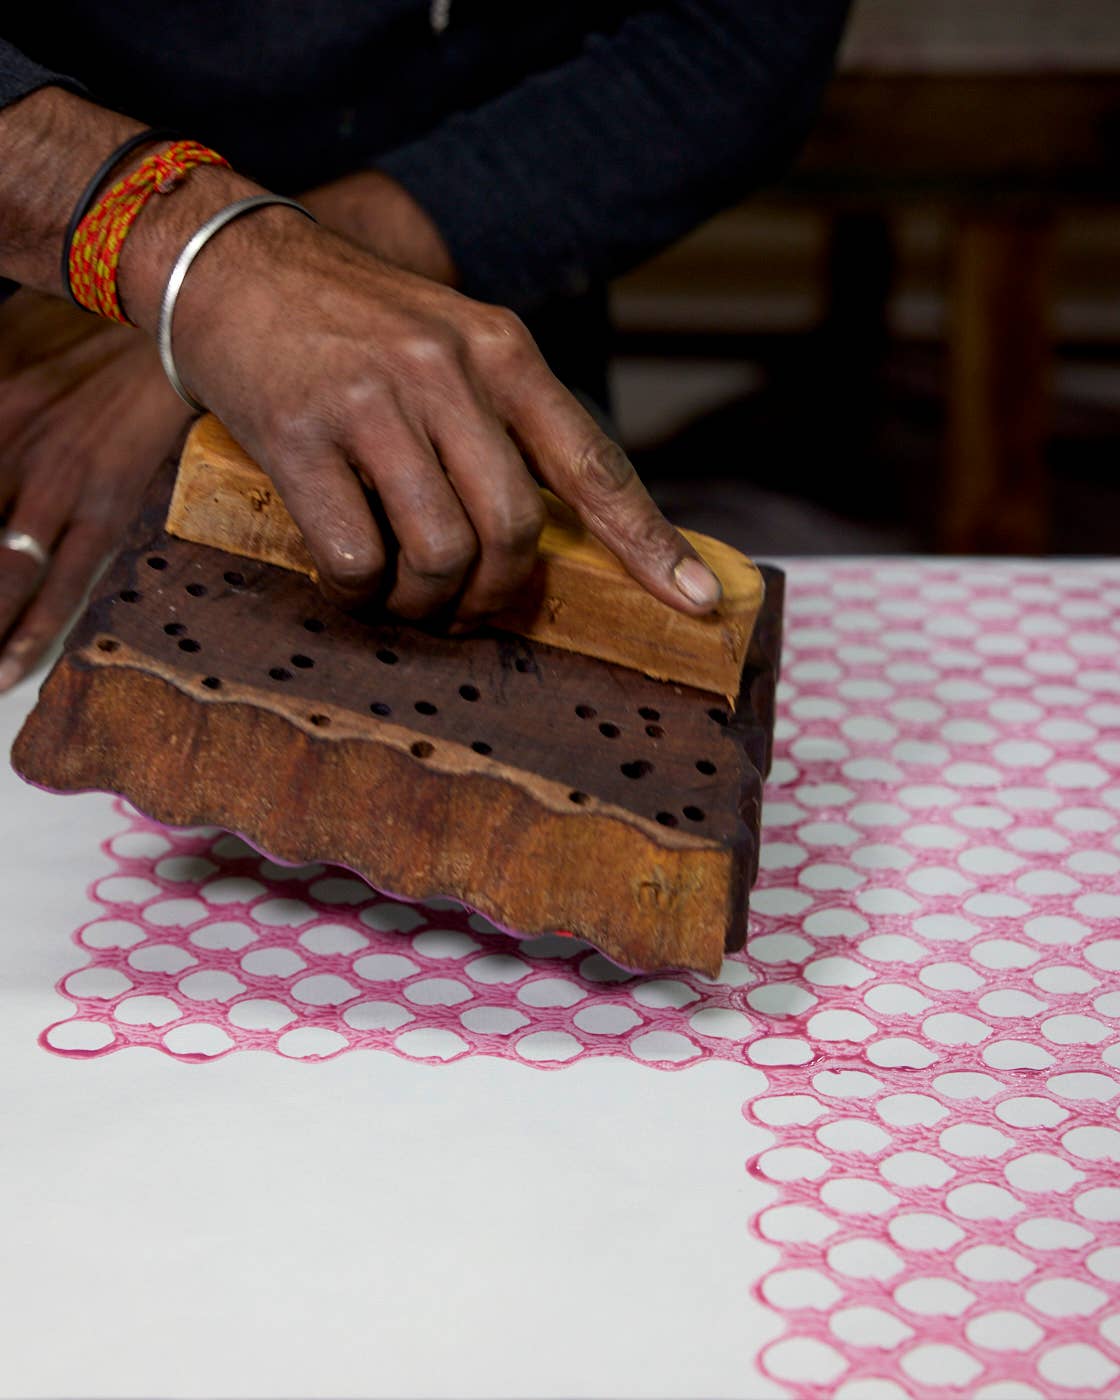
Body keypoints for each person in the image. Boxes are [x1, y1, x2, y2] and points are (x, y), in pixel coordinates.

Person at [0, 2, 849, 690]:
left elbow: (740, 38)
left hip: (472, 293)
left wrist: (282, 290)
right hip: (32, 313)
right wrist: (174, 255)